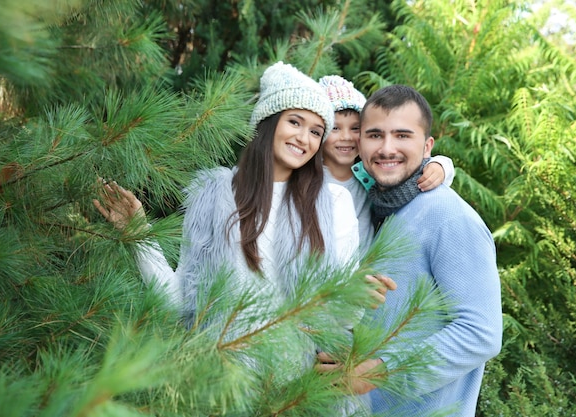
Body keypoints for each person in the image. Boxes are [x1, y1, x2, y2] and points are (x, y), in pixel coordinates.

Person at [92, 62, 396, 394]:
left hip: (291, 393)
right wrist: (139, 235)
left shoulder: (334, 204)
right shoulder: (213, 196)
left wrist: (355, 295)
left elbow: (336, 320)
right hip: (216, 386)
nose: (304, 138)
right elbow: (181, 302)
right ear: (268, 122)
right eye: (294, 122)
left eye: (315, 131)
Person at [320, 84, 502, 416]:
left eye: (402, 135)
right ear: (360, 143)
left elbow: (481, 333)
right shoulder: (371, 208)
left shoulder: (449, 216)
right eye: (375, 135)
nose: (387, 148)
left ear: (427, 145)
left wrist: (379, 372)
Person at [317, 75, 455, 248]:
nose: (346, 137)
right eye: (335, 128)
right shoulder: (311, 179)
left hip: (371, 264)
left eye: (355, 128)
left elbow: (417, 172)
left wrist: (440, 165)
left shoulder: (370, 172)